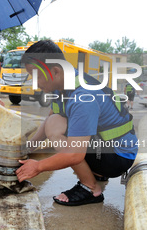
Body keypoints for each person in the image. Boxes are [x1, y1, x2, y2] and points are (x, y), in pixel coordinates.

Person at [16, 40, 138, 206]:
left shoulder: (83, 97)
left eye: (36, 76)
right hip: (108, 146)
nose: (34, 83)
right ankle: (97, 173)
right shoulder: (65, 82)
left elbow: (74, 154)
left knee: (55, 125)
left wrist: (37, 167)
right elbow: (52, 116)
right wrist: (29, 148)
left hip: (118, 156)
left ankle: (90, 188)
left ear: (55, 71)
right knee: (54, 120)